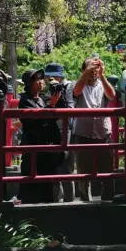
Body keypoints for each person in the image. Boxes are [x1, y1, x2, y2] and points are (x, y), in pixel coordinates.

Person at [73, 57, 117, 201]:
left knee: (107, 171)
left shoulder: (103, 84)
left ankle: (108, 201)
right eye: (90, 67)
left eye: (96, 67)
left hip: (103, 133)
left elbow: (112, 95)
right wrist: (85, 74)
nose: (93, 71)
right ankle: (85, 201)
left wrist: (102, 75)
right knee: (83, 173)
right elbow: (76, 92)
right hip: (83, 133)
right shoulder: (79, 84)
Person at [18, 68, 63, 204]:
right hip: (33, 145)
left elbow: (62, 109)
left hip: (47, 145)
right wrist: (51, 106)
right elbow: (33, 121)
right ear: (29, 83)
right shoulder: (24, 100)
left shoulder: (44, 98)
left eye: (41, 78)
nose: (41, 82)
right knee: (30, 180)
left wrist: (58, 94)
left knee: (47, 181)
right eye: (37, 79)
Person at [44, 62, 76, 203]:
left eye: (53, 77)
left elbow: (70, 107)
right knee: (53, 166)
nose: (50, 80)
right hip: (51, 128)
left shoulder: (67, 86)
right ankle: (55, 199)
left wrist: (59, 94)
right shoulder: (46, 89)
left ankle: (69, 200)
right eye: (48, 78)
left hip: (65, 127)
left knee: (65, 166)